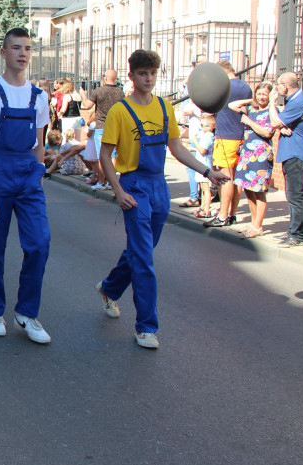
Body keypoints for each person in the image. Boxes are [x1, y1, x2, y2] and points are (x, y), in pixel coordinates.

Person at [97, 49, 227, 350]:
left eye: (153, 73)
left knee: (140, 251)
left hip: (159, 187)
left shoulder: (164, 106)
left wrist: (208, 171)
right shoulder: (119, 111)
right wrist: (118, 192)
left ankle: (109, 288)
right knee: (144, 259)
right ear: (131, 76)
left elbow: (177, 148)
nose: (149, 78)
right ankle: (145, 327)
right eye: (143, 73)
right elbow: (106, 155)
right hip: (133, 185)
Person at [0, 28, 52, 344]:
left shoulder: (39, 96)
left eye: (27, 49)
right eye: (16, 48)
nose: (23, 54)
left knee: (40, 242)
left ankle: (27, 312)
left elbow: (39, 143)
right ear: (3, 53)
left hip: (28, 174)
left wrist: (39, 171)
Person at [203, 61, 252, 228]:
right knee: (236, 178)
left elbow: (209, 106)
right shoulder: (245, 87)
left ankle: (222, 216)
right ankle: (232, 214)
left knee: (226, 178)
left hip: (226, 137)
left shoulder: (225, 87)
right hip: (240, 136)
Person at [269, 72, 303, 247]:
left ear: (285, 86)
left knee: (295, 196)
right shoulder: (293, 100)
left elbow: (274, 122)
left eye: (278, 85)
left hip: (296, 154)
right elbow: (283, 122)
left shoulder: (300, 101)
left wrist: (272, 103)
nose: (277, 89)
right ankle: (294, 231)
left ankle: (297, 235)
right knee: (293, 195)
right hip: (291, 153)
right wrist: (283, 124)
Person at [229, 81, 275, 238]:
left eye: (265, 94)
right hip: (247, 154)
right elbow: (232, 105)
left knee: (259, 190)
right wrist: (251, 100)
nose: (262, 97)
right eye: (259, 94)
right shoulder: (251, 110)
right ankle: (254, 221)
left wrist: (249, 122)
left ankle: (258, 226)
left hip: (261, 155)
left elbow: (267, 133)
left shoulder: (272, 112)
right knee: (248, 188)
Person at [192, 113, 216, 219]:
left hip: (205, 164)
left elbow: (203, 150)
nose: (201, 128)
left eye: (203, 125)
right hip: (201, 163)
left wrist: (195, 141)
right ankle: (203, 206)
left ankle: (206, 209)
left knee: (206, 188)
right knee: (202, 187)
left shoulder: (209, 136)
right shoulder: (205, 135)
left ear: (210, 126)